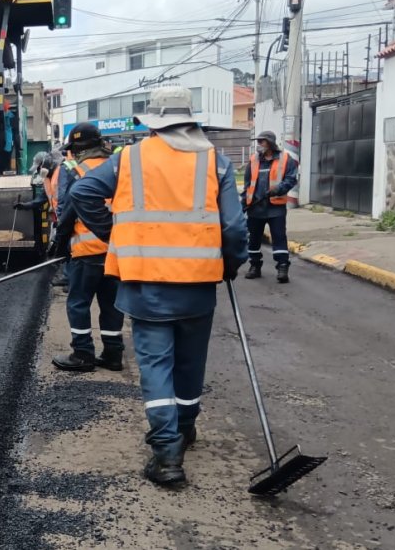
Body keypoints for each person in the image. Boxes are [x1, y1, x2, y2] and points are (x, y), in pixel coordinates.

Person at [70, 87, 248, 487]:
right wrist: (230, 264)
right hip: (198, 286)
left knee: (155, 366)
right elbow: (235, 228)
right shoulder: (214, 161)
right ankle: (185, 429)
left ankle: (167, 453)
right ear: (190, 121)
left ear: (152, 123)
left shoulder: (129, 159)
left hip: (146, 283)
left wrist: (113, 235)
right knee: (190, 363)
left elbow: (83, 191)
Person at [51, 122, 124, 373]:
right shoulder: (118, 167)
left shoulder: (76, 171)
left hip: (86, 252)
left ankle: (83, 353)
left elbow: (68, 211)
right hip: (116, 250)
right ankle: (113, 354)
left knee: (79, 303)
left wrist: (59, 244)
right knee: (111, 303)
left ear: (76, 149)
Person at [242, 130, 299, 283]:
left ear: (270, 143)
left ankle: (282, 267)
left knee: (279, 237)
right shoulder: (254, 160)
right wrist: (242, 203)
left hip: (275, 207)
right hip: (255, 207)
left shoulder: (286, 159)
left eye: (262, 141)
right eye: (258, 141)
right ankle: (254, 266)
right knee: (253, 239)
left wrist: (277, 190)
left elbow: (291, 179)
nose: (259, 144)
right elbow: (247, 184)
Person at [15, 151, 67, 287]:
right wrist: (24, 206)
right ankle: (68, 276)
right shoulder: (47, 179)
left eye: (39, 168)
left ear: (47, 164)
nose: (38, 171)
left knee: (68, 247)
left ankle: (69, 277)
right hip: (60, 217)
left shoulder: (62, 173)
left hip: (67, 216)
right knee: (64, 247)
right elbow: (41, 199)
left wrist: (62, 220)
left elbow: (65, 198)